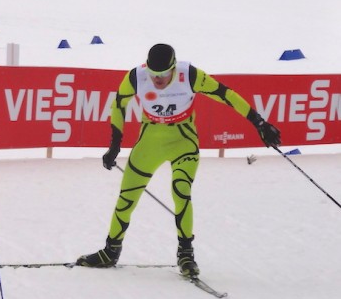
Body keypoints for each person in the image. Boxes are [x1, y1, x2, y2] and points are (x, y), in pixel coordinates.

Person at [76, 44, 281, 277]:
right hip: (150, 141)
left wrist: (260, 123)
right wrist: (115, 144)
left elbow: (226, 95)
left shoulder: (190, 75)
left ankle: (186, 254)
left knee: (181, 192)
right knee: (127, 197)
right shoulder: (136, 77)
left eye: (163, 74)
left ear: (174, 67)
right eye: (154, 74)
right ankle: (110, 251)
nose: (158, 80)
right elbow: (119, 105)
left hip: (183, 140)